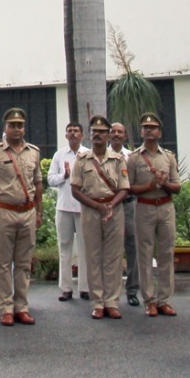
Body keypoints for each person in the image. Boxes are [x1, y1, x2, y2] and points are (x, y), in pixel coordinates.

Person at [0, 108, 42, 326]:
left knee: (24, 263)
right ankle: (6, 308)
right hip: (4, 210)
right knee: (4, 263)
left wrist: (40, 211)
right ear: (5, 128)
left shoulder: (33, 152)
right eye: (12, 125)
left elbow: (38, 183)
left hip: (27, 211)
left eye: (20, 125)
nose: (16, 129)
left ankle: (21, 307)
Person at [71, 115, 129, 319]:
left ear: (108, 135)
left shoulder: (118, 159)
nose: (98, 135)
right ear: (89, 135)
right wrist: (97, 206)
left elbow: (124, 188)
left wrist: (110, 205)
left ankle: (112, 301)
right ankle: (97, 302)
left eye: (102, 132)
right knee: (93, 257)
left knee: (113, 258)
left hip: (114, 209)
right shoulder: (82, 160)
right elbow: (75, 190)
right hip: (90, 210)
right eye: (94, 132)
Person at [126, 112, 181, 316]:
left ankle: (164, 299)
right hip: (144, 207)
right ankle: (149, 300)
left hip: (166, 207)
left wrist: (164, 183)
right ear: (141, 132)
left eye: (153, 127)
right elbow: (128, 188)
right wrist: (149, 185)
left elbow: (177, 186)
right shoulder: (133, 159)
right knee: (145, 254)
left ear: (159, 132)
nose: (149, 130)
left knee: (167, 254)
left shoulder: (168, 157)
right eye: (145, 127)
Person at [47, 121, 89, 301]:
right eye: (69, 131)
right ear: (66, 135)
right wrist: (64, 176)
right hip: (63, 206)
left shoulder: (88, 154)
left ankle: (85, 287)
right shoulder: (59, 155)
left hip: (83, 207)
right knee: (64, 248)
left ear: (82, 135)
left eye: (76, 131)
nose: (72, 134)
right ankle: (66, 288)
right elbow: (50, 179)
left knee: (84, 248)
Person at [109, 121, 139, 306]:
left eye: (120, 132)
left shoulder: (132, 157)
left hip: (128, 205)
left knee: (132, 246)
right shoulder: (99, 155)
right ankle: (111, 293)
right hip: (109, 205)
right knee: (111, 249)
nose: (116, 134)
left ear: (125, 136)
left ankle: (132, 290)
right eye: (113, 131)